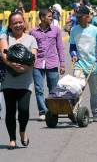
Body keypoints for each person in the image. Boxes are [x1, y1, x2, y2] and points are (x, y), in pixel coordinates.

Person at [0, 11, 38, 149]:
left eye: (20, 22)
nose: (17, 25)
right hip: (9, 80)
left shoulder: (31, 39)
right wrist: (12, 65)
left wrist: (24, 69)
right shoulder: (4, 37)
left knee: (23, 110)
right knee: (10, 111)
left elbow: (33, 58)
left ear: (24, 23)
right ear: (10, 25)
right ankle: (12, 139)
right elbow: (4, 54)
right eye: (14, 23)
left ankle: (22, 131)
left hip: (25, 80)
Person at [69, 5, 97, 122]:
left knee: (94, 92)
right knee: (76, 89)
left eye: (81, 17)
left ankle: (96, 113)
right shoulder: (74, 30)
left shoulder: (95, 30)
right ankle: (76, 112)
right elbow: (72, 47)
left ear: (87, 17)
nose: (79, 19)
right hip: (79, 65)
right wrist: (74, 55)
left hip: (92, 65)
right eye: (78, 17)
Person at [30, 8, 65, 121]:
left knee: (53, 89)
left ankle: (52, 111)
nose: (52, 18)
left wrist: (62, 63)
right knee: (39, 89)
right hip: (37, 63)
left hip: (52, 63)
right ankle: (43, 111)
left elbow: (60, 47)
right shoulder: (33, 32)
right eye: (49, 16)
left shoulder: (56, 30)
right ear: (42, 18)